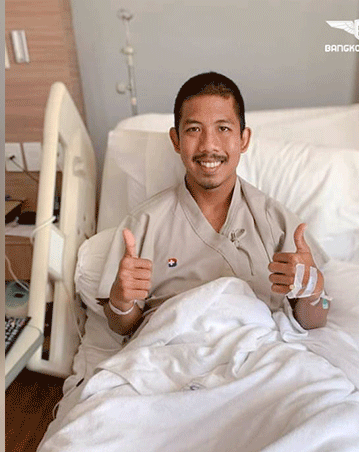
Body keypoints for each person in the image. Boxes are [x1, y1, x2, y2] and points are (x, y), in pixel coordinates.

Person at [97, 72, 331, 337]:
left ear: (243, 139)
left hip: (257, 348)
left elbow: (316, 320)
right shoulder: (144, 224)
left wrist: (313, 292)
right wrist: (121, 302)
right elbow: (121, 326)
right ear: (176, 140)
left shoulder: (277, 222)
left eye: (223, 128)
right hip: (172, 350)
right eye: (194, 129)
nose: (209, 145)